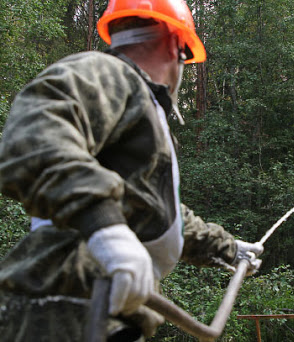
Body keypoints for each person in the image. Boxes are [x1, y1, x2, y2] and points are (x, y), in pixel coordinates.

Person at [0, 0, 263, 340]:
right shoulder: (108, 74)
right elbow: (34, 136)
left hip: (106, 313)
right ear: (174, 43)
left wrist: (227, 248)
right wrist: (106, 230)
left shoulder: (140, 107)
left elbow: (150, 208)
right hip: (63, 307)